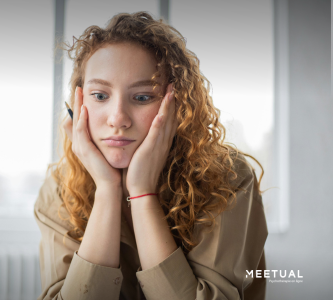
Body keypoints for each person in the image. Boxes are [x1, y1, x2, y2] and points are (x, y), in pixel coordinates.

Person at [34, 11, 268, 300]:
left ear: (176, 106)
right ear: (79, 104)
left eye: (142, 97)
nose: (118, 118)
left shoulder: (227, 179)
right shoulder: (59, 188)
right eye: (100, 96)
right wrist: (108, 190)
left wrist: (143, 194)